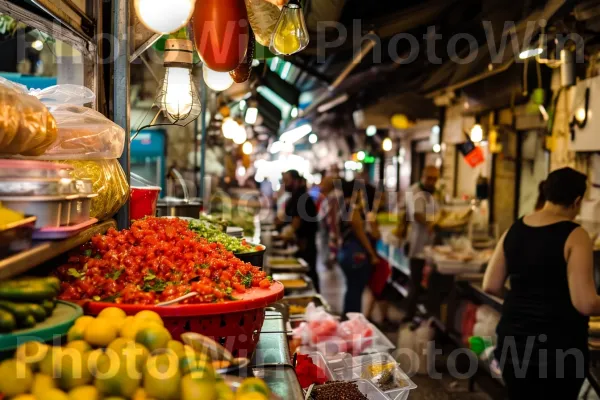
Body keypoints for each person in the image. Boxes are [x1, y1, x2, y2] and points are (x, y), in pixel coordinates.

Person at [483, 167, 598, 400]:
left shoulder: (514, 229)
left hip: (512, 344)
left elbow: (491, 285)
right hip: (558, 349)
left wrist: (524, 301)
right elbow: (585, 303)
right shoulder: (576, 235)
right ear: (577, 201)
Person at [337, 180, 380, 315]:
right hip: (356, 255)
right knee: (355, 289)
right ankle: (352, 321)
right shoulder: (353, 209)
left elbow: (375, 233)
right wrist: (372, 254)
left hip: (347, 253)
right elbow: (361, 234)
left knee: (353, 289)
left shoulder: (347, 207)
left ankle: (349, 318)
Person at [403, 166, 440, 322]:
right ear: (422, 176)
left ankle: (428, 315)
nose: (432, 182)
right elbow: (417, 215)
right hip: (417, 244)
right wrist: (432, 223)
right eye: (429, 178)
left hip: (432, 246)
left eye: (434, 179)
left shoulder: (436, 193)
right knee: (415, 282)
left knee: (431, 282)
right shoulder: (414, 191)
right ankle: (409, 316)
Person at [279, 170, 320, 292]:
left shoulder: (301, 197)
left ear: (296, 181)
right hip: (301, 244)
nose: (284, 184)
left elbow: (296, 222)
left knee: (307, 276)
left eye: (287, 181)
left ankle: (314, 304)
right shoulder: (296, 196)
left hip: (305, 244)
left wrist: (285, 235)